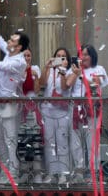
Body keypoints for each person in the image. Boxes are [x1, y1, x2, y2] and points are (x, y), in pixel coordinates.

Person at [0, 31, 31, 183]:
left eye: (12, 40)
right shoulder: (10, 53)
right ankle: (4, 170)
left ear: (19, 47)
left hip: (10, 105)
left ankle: (13, 173)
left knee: (10, 140)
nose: (9, 40)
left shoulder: (19, 62)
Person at [67, 44, 108, 180]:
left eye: (85, 55)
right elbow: (67, 85)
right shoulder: (74, 69)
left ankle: (93, 172)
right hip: (75, 110)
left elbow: (97, 83)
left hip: (91, 110)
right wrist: (75, 73)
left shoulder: (98, 69)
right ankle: (79, 170)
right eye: (81, 54)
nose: (82, 57)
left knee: (92, 143)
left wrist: (81, 76)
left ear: (92, 56)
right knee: (76, 142)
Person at [38, 47, 73, 181]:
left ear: (67, 60)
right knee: (50, 142)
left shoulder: (69, 71)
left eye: (63, 56)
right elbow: (42, 83)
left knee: (62, 141)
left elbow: (65, 87)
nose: (60, 58)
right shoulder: (50, 70)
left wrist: (62, 71)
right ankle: (52, 172)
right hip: (48, 109)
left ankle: (63, 173)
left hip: (62, 111)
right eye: (58, 56)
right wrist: (46, 67)